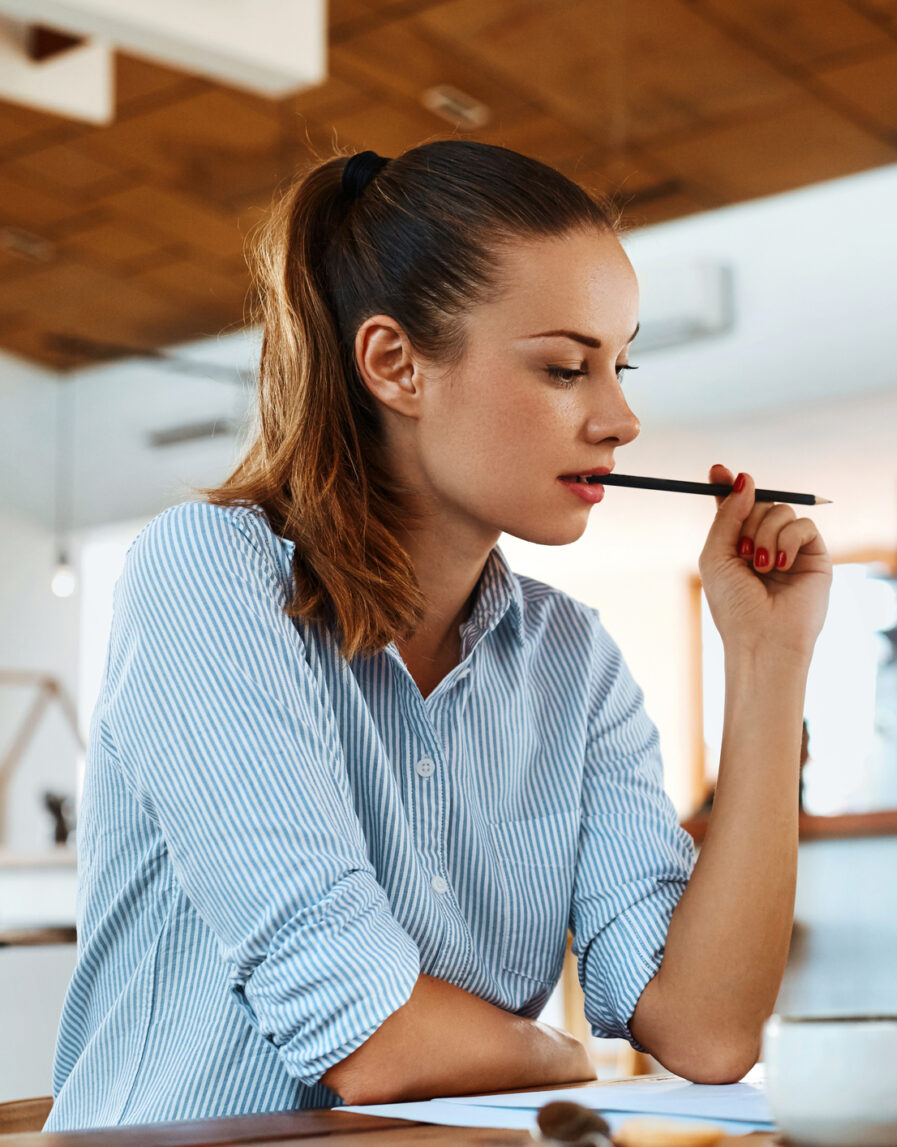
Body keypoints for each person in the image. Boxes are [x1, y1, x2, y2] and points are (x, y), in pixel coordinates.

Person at [44, 141, 831, 1130]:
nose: (621, 417)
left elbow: (708, 1032)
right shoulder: (207, 573)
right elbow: (368, 1035)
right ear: (395, 365)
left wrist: (767, 661)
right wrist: (555, 1054)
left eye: (618, 366)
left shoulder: (574, 664)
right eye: (563, 367)